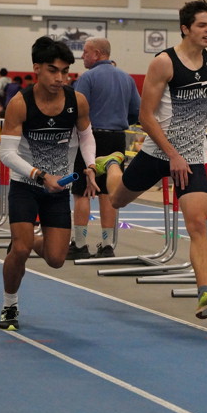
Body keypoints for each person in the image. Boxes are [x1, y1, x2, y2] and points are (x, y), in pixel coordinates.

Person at [96, 0, 207, 320]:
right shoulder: (164, 63)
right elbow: (145, 116)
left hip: (192, 156)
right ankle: (111, 164)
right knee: (116, 200)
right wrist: (172, 154)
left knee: (198, 224)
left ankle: (205, 292)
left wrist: (185, 155)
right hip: (158, 152)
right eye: (202, 25)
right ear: (185, 28)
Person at [0, 37, 98, 330]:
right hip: (26, 186)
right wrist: (41, 175)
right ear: (37, 68)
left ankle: (26, 242)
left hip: (58, 190)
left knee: (56, 259)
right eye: (53, 71)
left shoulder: (77, 101)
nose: (60, 78)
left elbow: (87, 137)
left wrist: (91, 166)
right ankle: (10, 305)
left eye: (65, 71)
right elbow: (6, 154)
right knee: (20, 250)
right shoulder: (20, 104)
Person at [68, 37, 141, 259]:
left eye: (86, 52)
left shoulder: (87, 78)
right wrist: (119, 121)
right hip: (117, 139)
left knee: (82, 191)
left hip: (90, 137)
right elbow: (136, 111)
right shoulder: (127, 79)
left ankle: (80, 244)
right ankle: (107, 245)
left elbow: (77, 109)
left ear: (97, 54)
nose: (82, 56)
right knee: (109, 192)